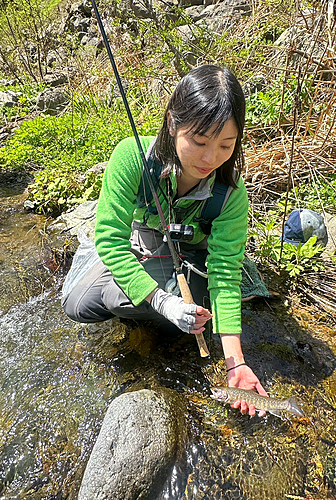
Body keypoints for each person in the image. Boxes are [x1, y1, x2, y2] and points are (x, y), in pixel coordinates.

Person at [62, 64, 268, 416]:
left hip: (194, 256)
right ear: (173, 123)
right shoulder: (132, 158)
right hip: (145, 243)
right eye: (199, 141)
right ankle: (158, 299)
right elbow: (111, 242)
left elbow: (224, 272)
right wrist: (164, 303)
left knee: (198, 313)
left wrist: (236, 364)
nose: (210, 158)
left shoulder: (230, 195)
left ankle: (161, 304)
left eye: (226, 145)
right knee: (78, 305)